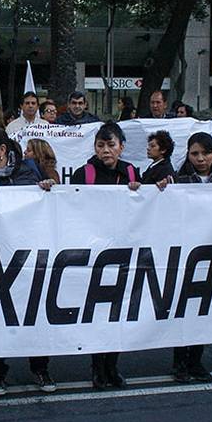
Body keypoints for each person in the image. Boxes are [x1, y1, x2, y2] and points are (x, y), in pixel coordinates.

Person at [0, 127, 56, 395]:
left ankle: (40, 369)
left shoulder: (30, 171)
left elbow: (54, 202)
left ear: (3, 150)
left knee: (34, 312)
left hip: (30, 257)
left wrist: (48, 188)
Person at [164, 132, 212, 383]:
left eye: (205, 153)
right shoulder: (177, 180)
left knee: (204, 308)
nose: (200, 158)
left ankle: (196, 360)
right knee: (182, 307)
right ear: (187, 155)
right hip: (185, 254)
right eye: (195, 153)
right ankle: (180, 363)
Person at [70, 123, 141, 389]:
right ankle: (97, 367)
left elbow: (147, 208)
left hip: (123, 251)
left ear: (121, 147)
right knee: (97, 314)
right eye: (101, 145)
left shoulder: (132, 172)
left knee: (118, 313)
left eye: (111, 145)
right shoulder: (84, 173)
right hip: (94, 253)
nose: (106, 150)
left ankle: (112, 365)